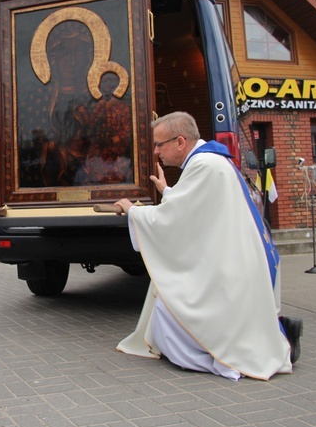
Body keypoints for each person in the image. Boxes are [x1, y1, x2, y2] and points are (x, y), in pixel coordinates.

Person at [113, 111, 302, 381]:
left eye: (159, 144)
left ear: (180, 142)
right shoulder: (208, 161)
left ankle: (222, 351)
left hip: (228, 268)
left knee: (170, 302)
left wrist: (132, 211)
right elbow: (194, 207)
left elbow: (177, 218)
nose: (156, 152)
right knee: (165, 292)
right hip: (232, 259)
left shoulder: (205, 165)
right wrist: (168, 191)